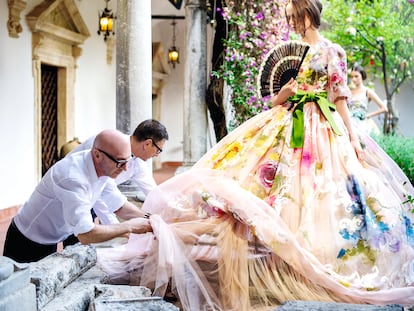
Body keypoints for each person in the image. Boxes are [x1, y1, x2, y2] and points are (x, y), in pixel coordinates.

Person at [97, 1, 414, 310]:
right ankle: (275, 254)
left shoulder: (332, 51)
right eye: (288, 18)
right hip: (285, 123)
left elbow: (340, 98)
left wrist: (353, 138)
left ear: (307, 12)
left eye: (294, 17)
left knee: (321, 194)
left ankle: (313, 257)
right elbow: (276, 101)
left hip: (321, 127)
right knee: (266, 189)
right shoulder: (290, 48)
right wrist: (284, 94)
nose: (291, 24)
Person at [3, 129, 152, 263]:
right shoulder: (72, 177)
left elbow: (118, 205)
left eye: (127, 161)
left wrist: (151, 220)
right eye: (120, 162)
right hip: (27, 240)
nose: (125, 168)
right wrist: (129, 227)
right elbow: (86, 234)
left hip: (53, 237)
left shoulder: (105, 167)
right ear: (98, 155)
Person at [71, 119, 169, 224]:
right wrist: (115, 227)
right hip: (73, 193)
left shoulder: (138, 161)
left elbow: (152, 192)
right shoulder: (107, 146)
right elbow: (104, 193)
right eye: (158, 150)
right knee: (73, 230)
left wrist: (172, 209)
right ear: (147, 144)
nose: (157, 154)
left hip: (94, 196)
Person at [348, 64, 388, 135]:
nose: (354, 79)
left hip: (361, 123)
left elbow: (384, 108)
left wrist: (368, 115)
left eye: (356, 76)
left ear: (362, 76)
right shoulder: (349, 92)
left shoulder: (368, 91)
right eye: (352, 77)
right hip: (350, 122)